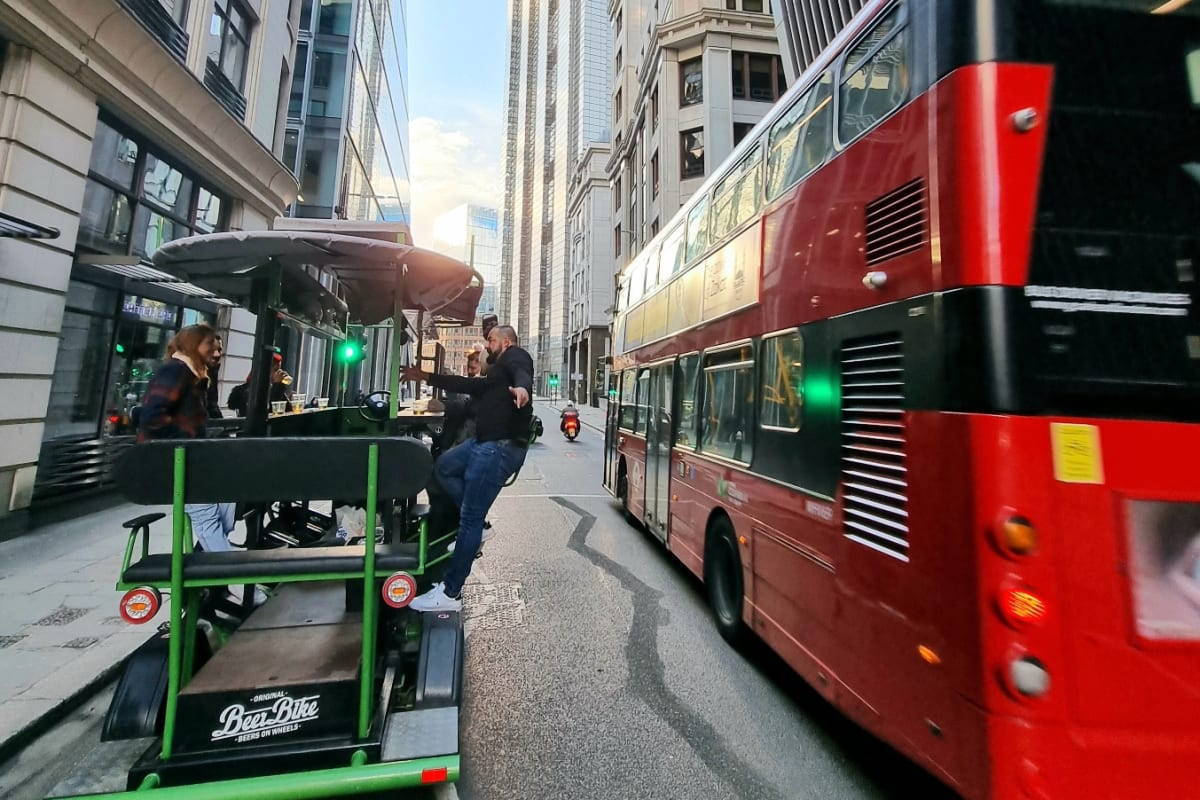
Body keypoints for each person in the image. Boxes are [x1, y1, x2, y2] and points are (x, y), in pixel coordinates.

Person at [401, 324, 533, 612]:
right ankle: (480, 527)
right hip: (481, 443)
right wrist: (423, 376)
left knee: (469, 520)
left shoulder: (515, 356)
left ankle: (450, 593)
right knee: (443, 467)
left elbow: (523, 370)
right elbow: (467, 385)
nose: (487, 344)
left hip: (498, 447)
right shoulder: (495, 375)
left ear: (507, 342)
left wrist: (523, 387)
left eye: (492, 340)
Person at [138, 324, 236, 554]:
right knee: (208, 520)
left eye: (219, 348)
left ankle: (209, 570)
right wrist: (189, 439)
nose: (216, 352)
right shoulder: (176, 370)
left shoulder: (196, 374)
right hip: (174, 462)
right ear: (193, 345)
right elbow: (152, 417)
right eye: (210, 346)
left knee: (227, 507)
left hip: (192, 460)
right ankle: (238, 582)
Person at [227, 352, 292, 416]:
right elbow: (263, 411)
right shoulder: (248, 390)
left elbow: (289, 410)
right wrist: (278, 386)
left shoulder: (273, 387)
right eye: (275, 370)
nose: (279, 372)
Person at [205, 335, 224, 419]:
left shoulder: (212, 372)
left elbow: (212, 406)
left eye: (219, 350)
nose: (217, 354)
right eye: (211, 350)